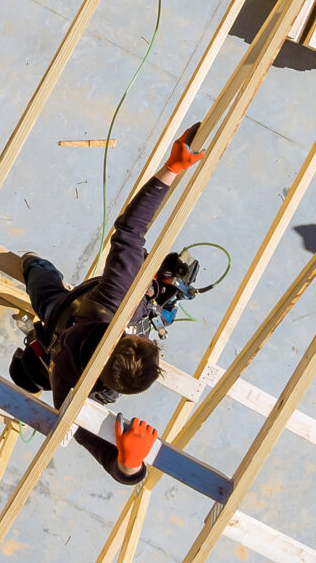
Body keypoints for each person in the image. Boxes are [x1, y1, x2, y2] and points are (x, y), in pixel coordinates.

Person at [14, 125, 206, 480]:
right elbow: (114, 465)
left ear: (126, 336)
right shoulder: (71, 390)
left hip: (63, 314)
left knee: (37, 272)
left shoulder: (118, 302)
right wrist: (129, 463)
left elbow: (130, 232)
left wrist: (171, 169)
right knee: (43, 287)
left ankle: (32, 265)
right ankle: (32, 268)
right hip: (65, 317)